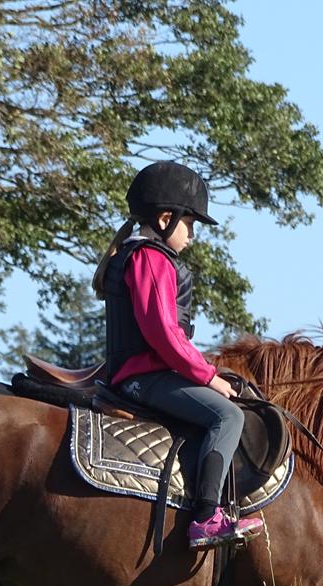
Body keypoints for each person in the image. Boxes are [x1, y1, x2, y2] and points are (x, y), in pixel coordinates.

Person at [92, 160, 264, 548]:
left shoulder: (144, 255)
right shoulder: (150, 258)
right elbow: (164, 334)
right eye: (190, 224)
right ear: (167, 218)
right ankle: (206, 517)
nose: (192, 235)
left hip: (145, 374)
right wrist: (208, 376)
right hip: (144, 378)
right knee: (228, 415)